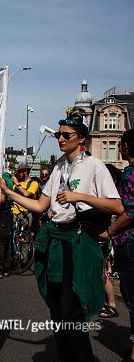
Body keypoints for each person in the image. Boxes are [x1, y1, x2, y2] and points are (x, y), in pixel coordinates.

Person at [0, 112, 123, 362]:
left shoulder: (94, 166)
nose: (60, 139)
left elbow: (117, 207)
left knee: (71, 312)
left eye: (67, 135)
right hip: (55, 242)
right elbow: (40, 206)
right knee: (56, 310)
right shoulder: (58, 167)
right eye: (59, 134)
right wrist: (8, 192)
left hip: (77, 244)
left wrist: (81, 196)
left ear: (82, 139)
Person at [108, 129, 134, 361]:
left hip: (129, 241)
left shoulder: (130, 173)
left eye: (121, 144)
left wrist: (111, 231)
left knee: (132, 298)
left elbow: (130, 212)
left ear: (126, 147)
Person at [98, 164, 122, 319]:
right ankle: (103, 303)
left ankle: (111, 304)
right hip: (102, 236)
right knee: (99, 272)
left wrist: (109, 232)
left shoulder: (113, 197)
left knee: (102, 272)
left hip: (106, 237)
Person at [10, 163, 39, 233]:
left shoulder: (34, 183)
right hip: (14, 213)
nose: (18, 174)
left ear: (25, 172)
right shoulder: (18, 182)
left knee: (24, 237)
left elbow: (26, 194)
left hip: (25, 214)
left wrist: (17, 184)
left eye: (20, 172)